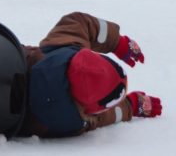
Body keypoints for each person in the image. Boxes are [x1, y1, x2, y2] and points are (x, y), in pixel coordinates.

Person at [21, 11, 162, 137]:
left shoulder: (61, 47)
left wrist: (118, 42)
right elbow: (106, 117)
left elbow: (80, 22)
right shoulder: (70, 122)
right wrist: (131, 105)